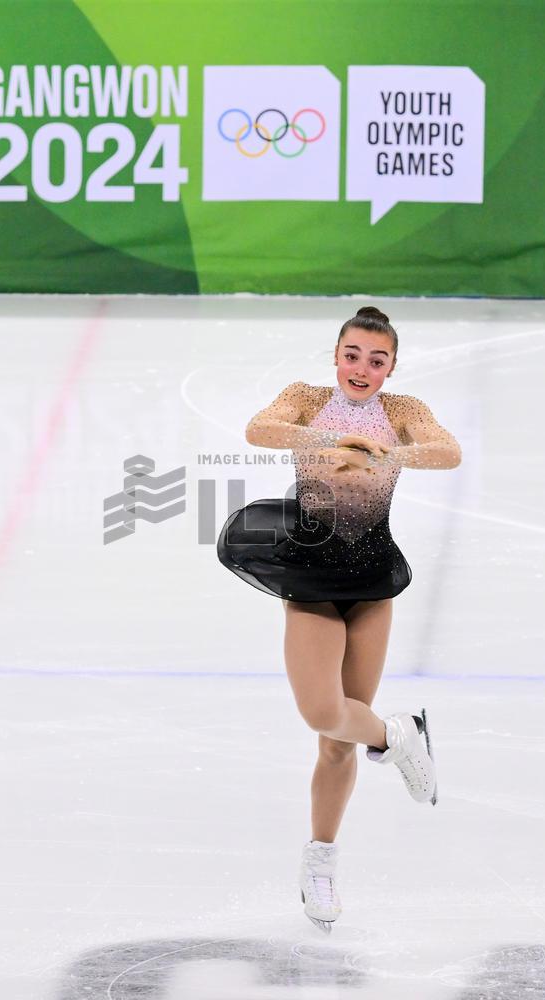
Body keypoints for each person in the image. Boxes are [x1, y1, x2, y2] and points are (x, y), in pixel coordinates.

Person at [216, 306, 462, 934]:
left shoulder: (401, 410)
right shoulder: (307, 399)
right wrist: (331, 441)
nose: (362, 368)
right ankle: (398, 735)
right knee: (323, 713)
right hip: (311, 578)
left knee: (336, 741)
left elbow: (448, 451)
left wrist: (386, 449)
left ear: (391, 367)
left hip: (372, 580)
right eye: (353, 354)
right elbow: (259, 430)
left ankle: (321, 861)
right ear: (336, 355)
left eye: (376, 360)